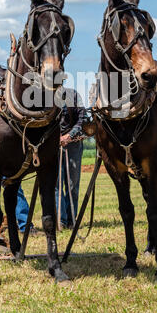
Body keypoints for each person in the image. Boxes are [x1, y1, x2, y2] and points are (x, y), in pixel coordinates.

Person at [55, 88, 86, 229]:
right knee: (56, 185)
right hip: (53, 146)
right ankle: (61, 220)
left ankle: (72, 220)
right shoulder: (44, 97)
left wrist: (69, 136)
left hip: (73, 145)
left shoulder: (74, 95)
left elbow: (82, 119)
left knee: (72, 185)